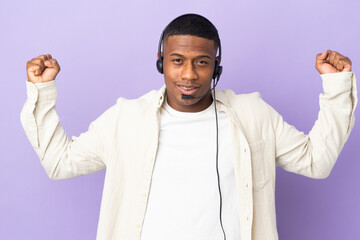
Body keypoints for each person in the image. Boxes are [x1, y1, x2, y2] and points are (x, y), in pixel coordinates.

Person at [21, 13, 357, 240]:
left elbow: (317, 162)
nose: (189, 75)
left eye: (202, 62)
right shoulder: (127, 118)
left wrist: (337, 86)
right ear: (160, 62)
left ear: (216, 67)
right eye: (177, 61)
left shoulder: (253, 114)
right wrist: (42, 91)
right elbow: (60, 163)